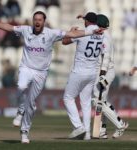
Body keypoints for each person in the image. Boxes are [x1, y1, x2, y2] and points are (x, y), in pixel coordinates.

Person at [0, 11, 101, 143]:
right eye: (35, 19)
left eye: (40, 20)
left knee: (31, 103)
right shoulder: (25, 30)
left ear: (44, 21)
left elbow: (72, 34)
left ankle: (25, 132)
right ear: (32, 20)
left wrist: (91, 32)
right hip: (26, 68)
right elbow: (7, 26)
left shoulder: (51, 33)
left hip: (41, 73)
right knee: (21, 86)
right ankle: (20, 111)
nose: (37, 22)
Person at [62, 12, 104, 140]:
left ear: (86, 21)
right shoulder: (101, 35)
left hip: (79, 72)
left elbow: (64, 41)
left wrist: (71, 31)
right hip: (92, 73)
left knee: (68, 98)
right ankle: (86, 133)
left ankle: (78, 126)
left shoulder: (82, 33)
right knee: (85, 103)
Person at [92, 14, 129, 139]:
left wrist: (102, 74)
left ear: (99, 26)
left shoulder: (105, 38)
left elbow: (106, 57)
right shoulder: (103, 36)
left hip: (105, 72)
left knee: (98, 101)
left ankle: (120, 124)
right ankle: (102, 130)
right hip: (105, 72)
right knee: (101, 102)